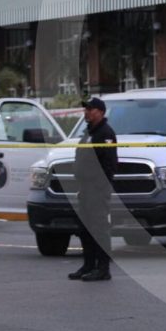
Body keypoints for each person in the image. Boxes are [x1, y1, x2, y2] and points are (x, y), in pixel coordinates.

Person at [69, 97, 118, 282]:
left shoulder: (105, 134)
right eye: (85, 109)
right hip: (85, 188)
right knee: (85, 229)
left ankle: (103, 268)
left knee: (99, 228)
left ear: (101, 112)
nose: (87, 112)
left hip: (97, 190)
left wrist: (99, 187)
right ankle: (88, 265)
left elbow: (110, 165)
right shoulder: (89, 132)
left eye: (91, 109)